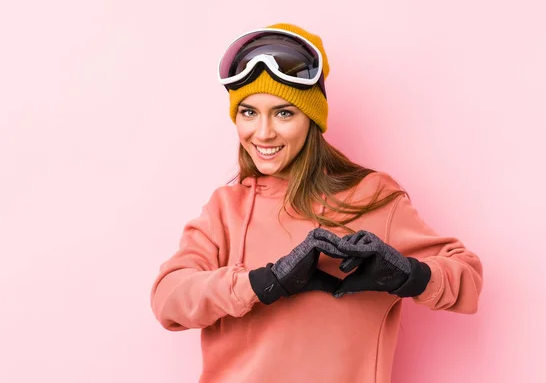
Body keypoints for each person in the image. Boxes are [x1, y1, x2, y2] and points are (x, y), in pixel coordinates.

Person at [150, 23, 483, 383]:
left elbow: (466, 277)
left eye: (283, 113)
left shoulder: (372, 196)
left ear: (311, 119)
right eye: (248, 112)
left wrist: (408, 274)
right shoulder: (226, 208)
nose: (263, 133)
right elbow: (169, 299)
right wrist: (265, 282)